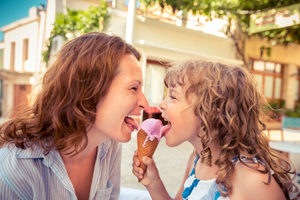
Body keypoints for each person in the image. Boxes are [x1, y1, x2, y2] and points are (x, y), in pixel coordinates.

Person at [0, 32, 149, 200]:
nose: (145, 103)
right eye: (133, 88)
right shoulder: (15, 170)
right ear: (89, 91)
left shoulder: (110, 144)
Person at [132, 59, 300, 200]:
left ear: (212, 112)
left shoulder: (252, 180)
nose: (161, 104)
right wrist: (153, 184)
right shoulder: (198, 158)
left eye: (173, 96)